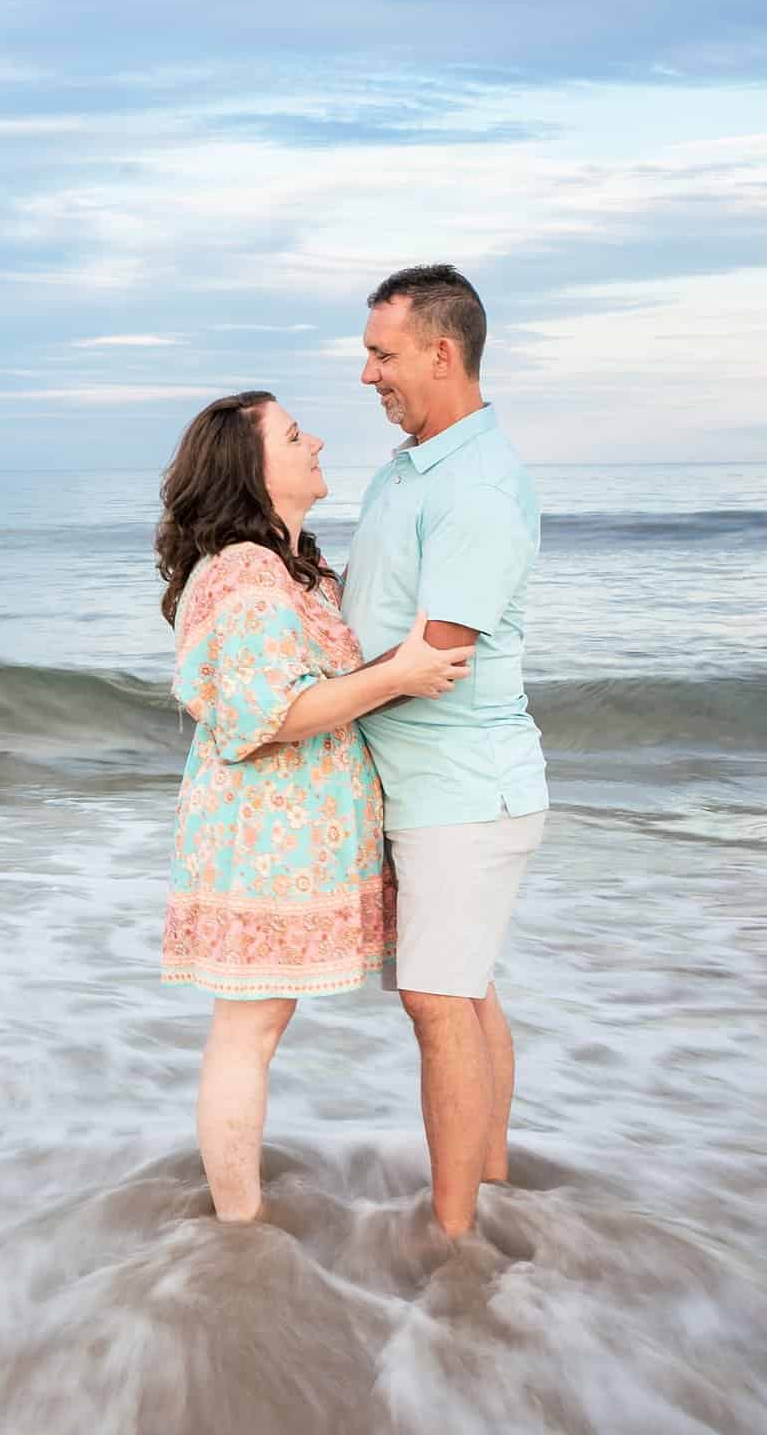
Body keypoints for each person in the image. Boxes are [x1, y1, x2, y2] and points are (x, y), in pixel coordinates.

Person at [156, 390, 473, 1224]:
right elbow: (272, 714)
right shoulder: (250, 572)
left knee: (256, 1022)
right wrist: (397, 676)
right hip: (263, 830)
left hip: (277, 830)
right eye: (296, 436)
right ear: (253, 471)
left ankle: (238, 1214)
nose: (319, 441)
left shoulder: (285, 564)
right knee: (249, 1027)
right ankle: (237, 1227)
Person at [341, 264, 548, 1240]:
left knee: (436, 999)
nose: (367, 374)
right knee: (463, 987)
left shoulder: (478, 483)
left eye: (382, 354)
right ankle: (491, 1181)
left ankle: (454, 1240)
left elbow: (440, 652)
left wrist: (309, 704)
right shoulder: (408, 467)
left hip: (462, 786)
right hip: (421, 784)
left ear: (440, 351)